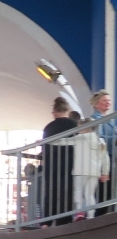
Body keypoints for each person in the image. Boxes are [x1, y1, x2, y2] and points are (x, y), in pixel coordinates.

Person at [42, 96, 78, 225]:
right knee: (67, 191)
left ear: (55, 112)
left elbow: (45, 149)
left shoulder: (48, 128)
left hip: (52, 165)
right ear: (67, 111)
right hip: (70, 164)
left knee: (50, 191)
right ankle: (65, 220)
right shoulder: (75, 125)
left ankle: (46, 221)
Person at [71, 118, 110, 220]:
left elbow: (63, 141)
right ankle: (90, 215)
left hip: (80, 170)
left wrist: (49, 141)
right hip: (94, 172)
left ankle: (79, 212)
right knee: (90, 194)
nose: (78, 130)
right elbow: (105, 159)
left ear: (85, 128)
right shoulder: (100, 141)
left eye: (79, 127)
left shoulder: (79, 138)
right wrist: (105, 172)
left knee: (79, 190)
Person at [90, 90, 115, 215]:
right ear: (96, 104)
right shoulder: (95, 120)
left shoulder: (109, 120)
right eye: (104, 100)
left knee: (109, 189)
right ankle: (99, 215)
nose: (107, 103)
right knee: (103, 189)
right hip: (102, 158)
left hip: (110, 156)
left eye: (109, 100)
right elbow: (99, 138)